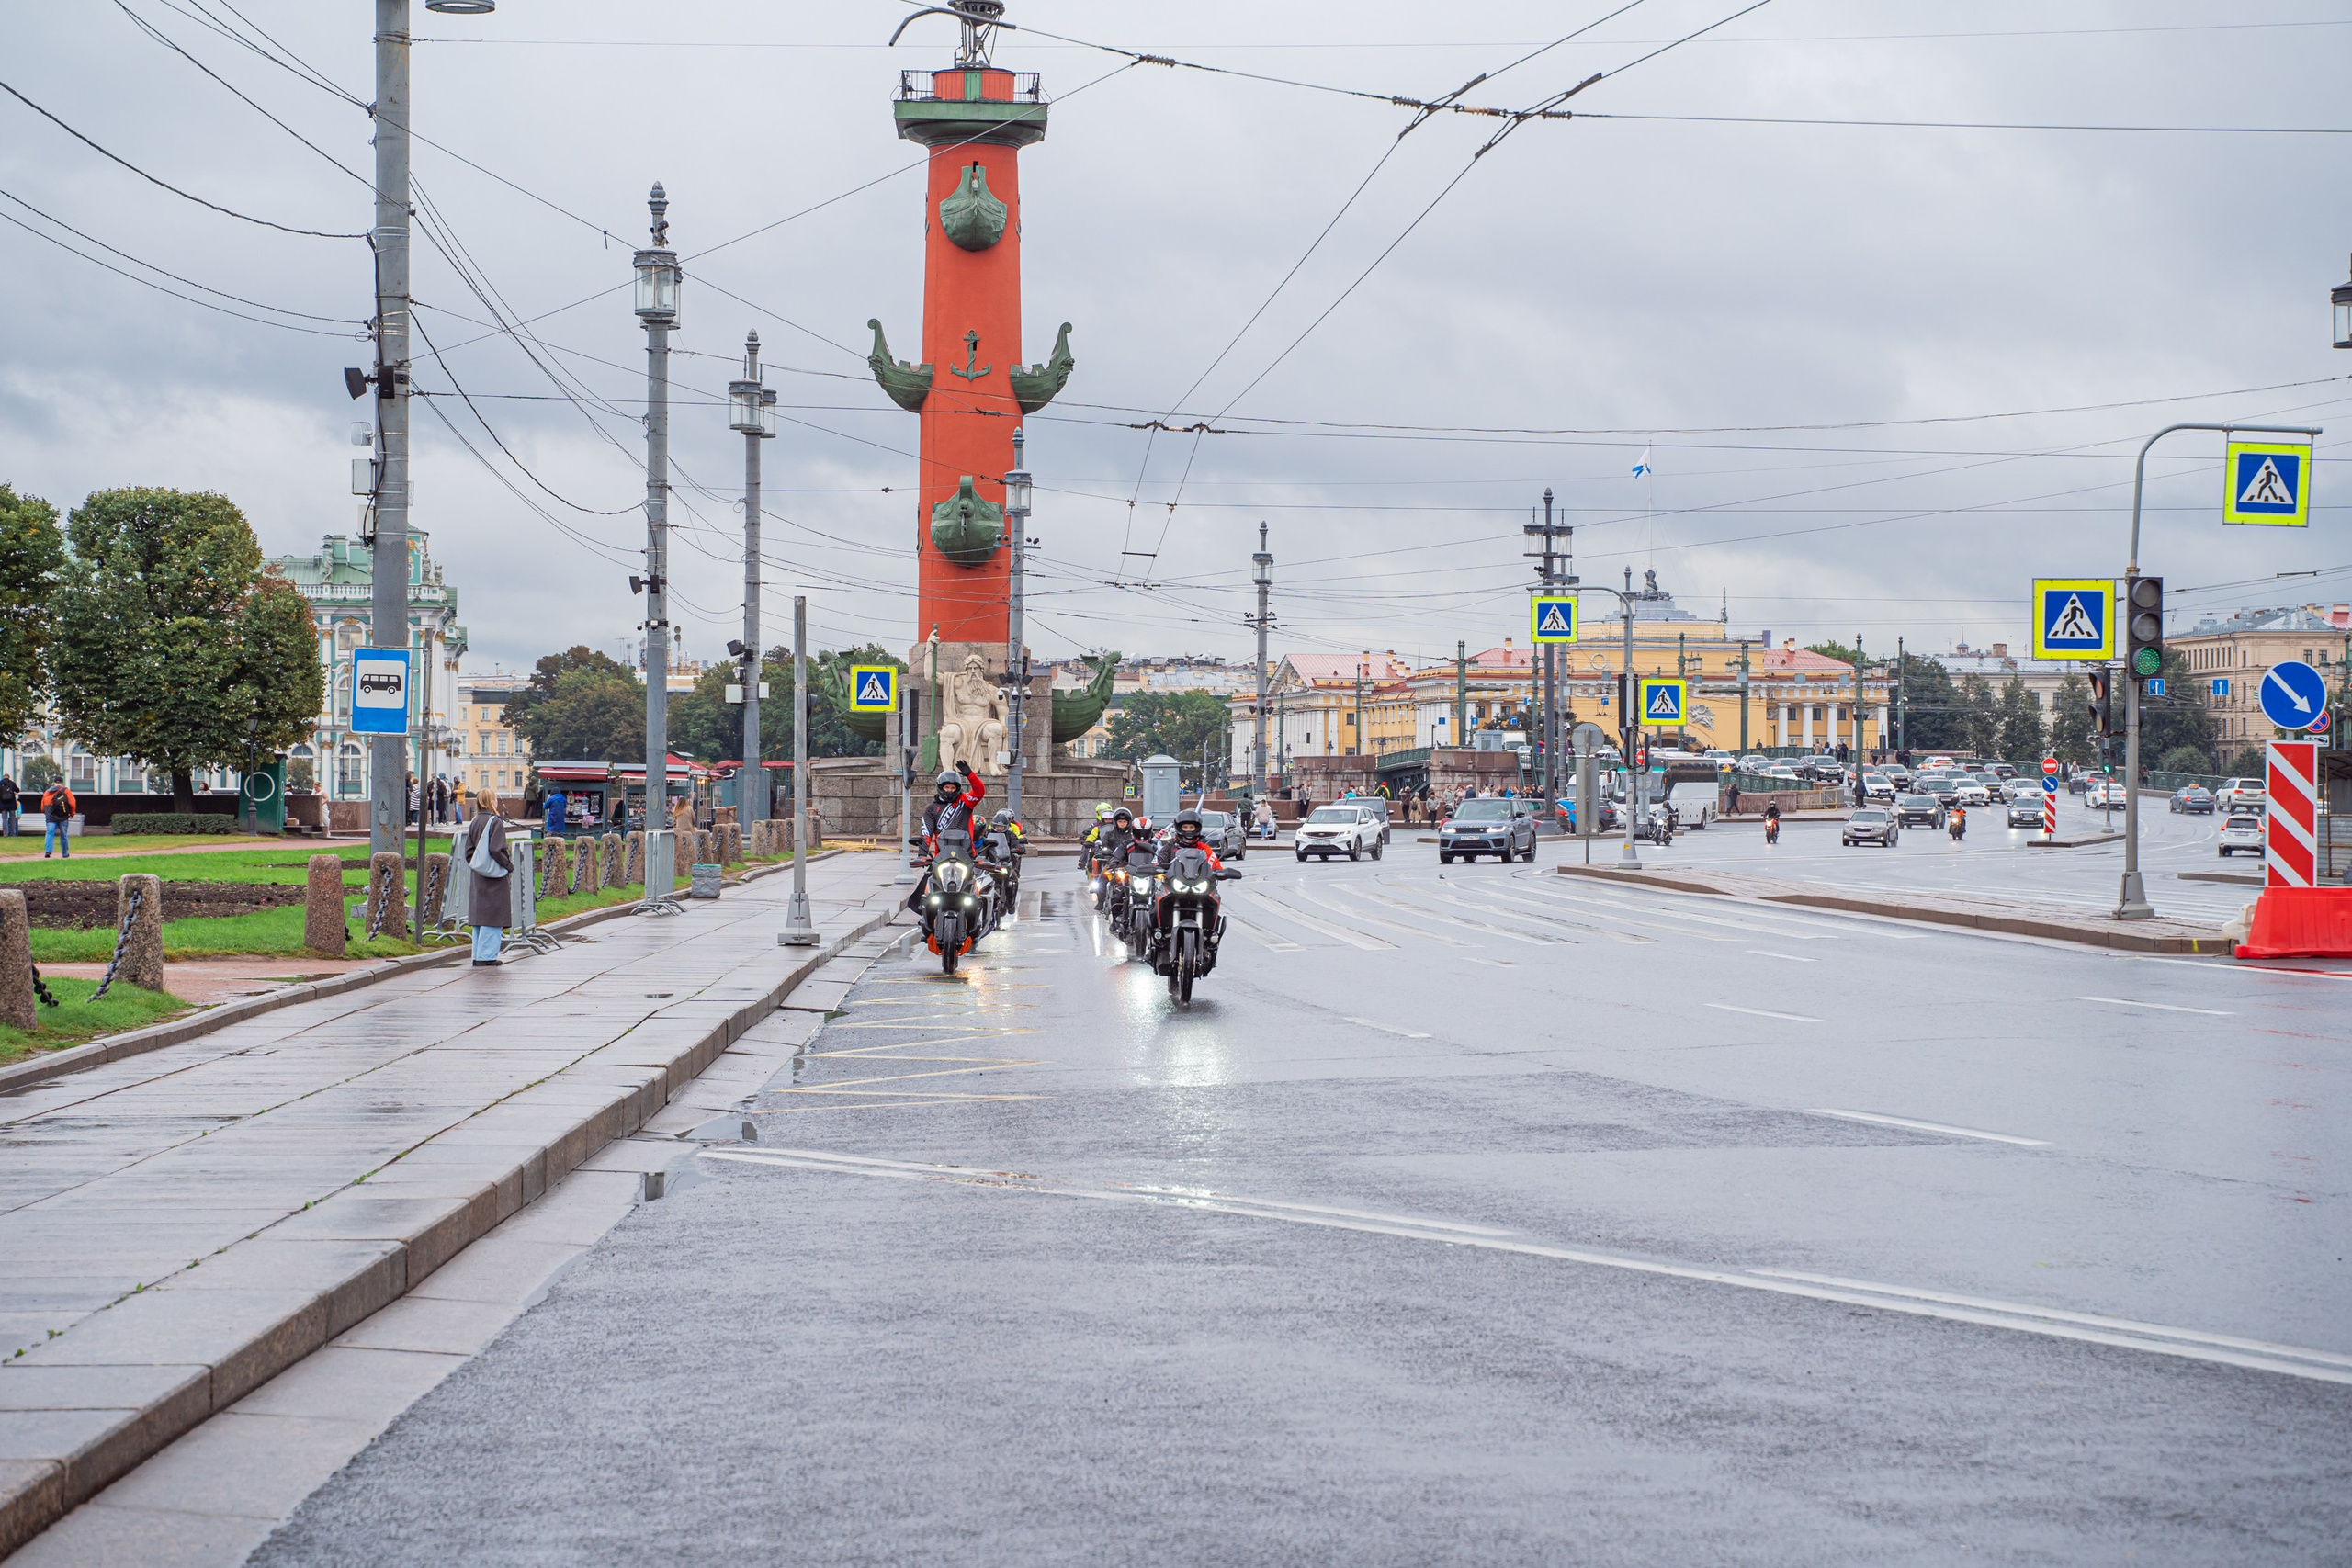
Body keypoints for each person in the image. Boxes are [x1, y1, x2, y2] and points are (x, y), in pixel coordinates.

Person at [906, 763, 986, 913]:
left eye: (953, 788)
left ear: (957, 789)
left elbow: (980, 791)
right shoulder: (931, 809)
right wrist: (922, 855)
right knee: (922, 896)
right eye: (947, 787)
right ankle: (928, 922)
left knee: (975, 893)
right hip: (941, 857)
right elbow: (926, 833)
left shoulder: (965, 802)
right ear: (940, 788)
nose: (950, 791)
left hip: (966, 855)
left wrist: (970, 775)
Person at [460, 785, 512, 966]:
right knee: (493, 915)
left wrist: (477, 865)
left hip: (479, 874)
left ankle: (477, 954)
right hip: (495, 876)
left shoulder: (474, 821)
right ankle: (487, 956)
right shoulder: (495, 822)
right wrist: (508, 865)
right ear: (491, 801)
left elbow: (469, 851)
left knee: (479, 917)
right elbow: (497, 849)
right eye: (495, 798)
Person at [40, 778, 75, 859]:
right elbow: (72, 804)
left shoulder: (47, 792)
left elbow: (42, 806)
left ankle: (48, 851)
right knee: (64, 834)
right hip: (63, 817)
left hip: (50, 817)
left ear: (53, 783)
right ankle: (65, 853)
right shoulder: (66, 791)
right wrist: (72, 813)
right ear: (62, 783)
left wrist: (46, 813)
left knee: (49, 833)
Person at [0, 773, 17, 838]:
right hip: (11, 804)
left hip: (3, 804)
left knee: (4, 819)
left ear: (3, 777)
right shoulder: (12, 783)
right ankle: (13, 833)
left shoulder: (0, 783)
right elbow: (17, 790)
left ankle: (5, 834)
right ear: (9, 777)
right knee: (12, 819)